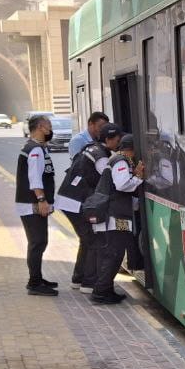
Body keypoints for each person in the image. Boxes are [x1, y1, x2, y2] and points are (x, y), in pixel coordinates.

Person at [56, 122, 121, 292]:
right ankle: (89, 283)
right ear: (109, 139)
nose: (119, 142)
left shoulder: (92, 148)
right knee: (93, 240)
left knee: (86, 241)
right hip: (75, 201)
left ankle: (78, 279)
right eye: (118, 139)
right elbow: (112, 179)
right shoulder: (101, 157)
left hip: (69, 198)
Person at [90, 133, 145, 305]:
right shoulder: (121, 161)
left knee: (115, 254)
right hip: (114, 217)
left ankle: (106, 289)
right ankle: (100, 291)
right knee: (114, 254)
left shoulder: (118, 160)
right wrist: (137, 178)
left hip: (116, 214)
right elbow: (121, 185)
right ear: (132, 149)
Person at [16, 114, 58, 296]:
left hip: (31, 203)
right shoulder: (35, 150)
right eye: (49, 125)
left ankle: (38, 278)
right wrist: (41, 200)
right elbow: (35, 179)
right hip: (32, 203)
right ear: (41, 127)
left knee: (39, 241)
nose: (50, 129)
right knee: (37, 242)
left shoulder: (37, 147)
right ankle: (34, 283)